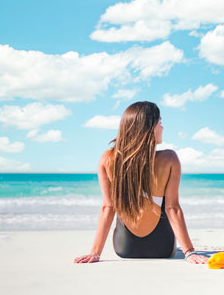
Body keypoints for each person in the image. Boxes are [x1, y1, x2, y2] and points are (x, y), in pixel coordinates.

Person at [73, 101, 209, 265]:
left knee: (122, 202)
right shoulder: (169, 158)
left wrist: (95, 253)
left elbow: (108, 207)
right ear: (149, 128)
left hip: (125, 248)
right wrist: (189, 252)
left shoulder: (108, 159)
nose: (162, 128)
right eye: (160, 123)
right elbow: (172, 208)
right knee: (164, 202)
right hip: (162, 248)